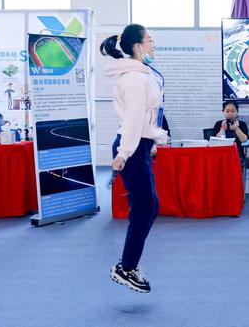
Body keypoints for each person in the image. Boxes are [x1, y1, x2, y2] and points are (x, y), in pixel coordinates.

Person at [100, 23, 168, 294]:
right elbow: (133, 119)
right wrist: (124, 153)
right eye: (150, 40)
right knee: (145, 207)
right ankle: (126, 268)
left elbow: (145, 118)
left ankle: (128, 266)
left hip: (139, 145)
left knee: (148, 206)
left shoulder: (140, 74)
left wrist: (153, 139)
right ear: (138, 46)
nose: (154, 45)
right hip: (132, 146)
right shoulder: (134, 79)